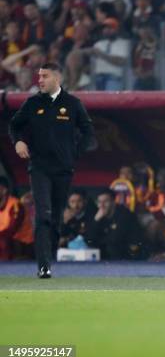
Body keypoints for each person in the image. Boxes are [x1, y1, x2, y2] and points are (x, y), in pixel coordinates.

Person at [9, 62, 94, 278]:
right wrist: (18, 142)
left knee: (55, 219)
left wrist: (75, 153)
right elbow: (14, 125)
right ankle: (43, 266)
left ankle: (49, 254)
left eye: (45, 76)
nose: (40, 80)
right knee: (43, 215)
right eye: (39, 76)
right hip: (39, 168)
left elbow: (88, 132)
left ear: (58, 78)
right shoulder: (32, 103)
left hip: (64, 170)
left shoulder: (73, 104)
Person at [85, 189, 144, 260]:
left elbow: (115, 239)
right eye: (99, 202)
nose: (102, 205)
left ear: (113, 202)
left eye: (106, 201)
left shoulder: (124, 215)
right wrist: (95, 221)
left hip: (130, 252)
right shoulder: (98, 216)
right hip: (111, 253)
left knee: (111, 247)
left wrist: (99, 240)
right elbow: (89, 239)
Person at [0, 177, 24, 260]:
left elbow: (12, 229)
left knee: (3, 241)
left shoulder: (15, 205)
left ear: (4, 190)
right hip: (3, 238)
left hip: (21, 242)